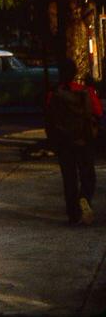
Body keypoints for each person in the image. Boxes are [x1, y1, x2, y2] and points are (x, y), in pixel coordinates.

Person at [46, 57, 102, 225]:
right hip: (84, 140)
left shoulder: (53, 94)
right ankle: (84, 198)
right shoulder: (85, 91)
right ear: (75, 72)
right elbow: (98, 112)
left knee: (69, 178)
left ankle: (73, 214)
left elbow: (49, 118)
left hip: (64, 142)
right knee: (87, 175)